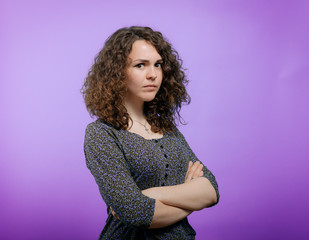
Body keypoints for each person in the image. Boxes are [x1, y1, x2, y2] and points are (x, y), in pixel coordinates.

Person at [81, 26, 219, 240]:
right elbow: (136, 213)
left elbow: (211, 190)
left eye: (158, 65)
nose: (153, 74)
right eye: (140, 65)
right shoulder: (102, 134)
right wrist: (190, 200)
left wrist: (150, 195)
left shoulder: (168, 130)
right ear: (117, 72)